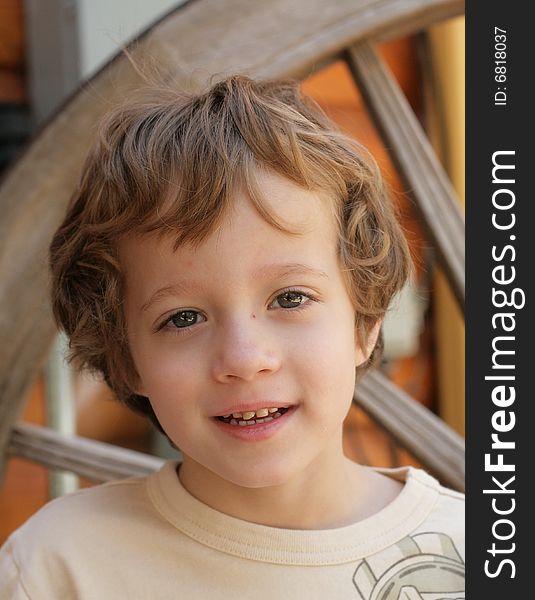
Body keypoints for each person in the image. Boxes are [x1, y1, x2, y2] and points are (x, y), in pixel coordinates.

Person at [0, 75, 464, 599]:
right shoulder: (59, 568)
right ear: (125, 356)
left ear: (365, 320)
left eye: (290, 299)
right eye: (183, 318)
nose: (244, 360)